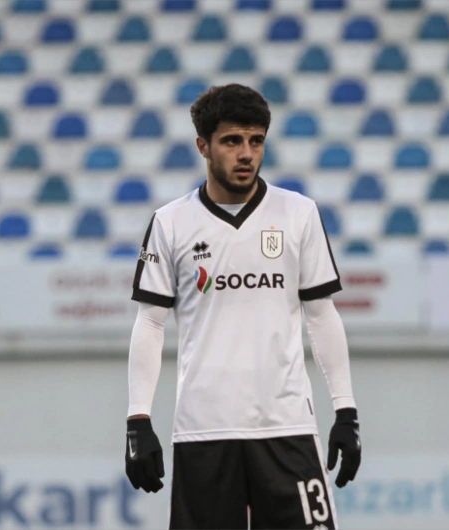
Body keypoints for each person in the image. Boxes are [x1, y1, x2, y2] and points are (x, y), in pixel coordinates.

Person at [124, 84, 361, 529]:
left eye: (256, 141)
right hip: (203, 430)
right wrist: (138, 419)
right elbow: (151, 323)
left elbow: (321, 314)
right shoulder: (170, 223)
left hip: (287, 427)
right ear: (203, 146)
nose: (247, 153)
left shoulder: (298, 213)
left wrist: (346, 411)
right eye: (232, 141)